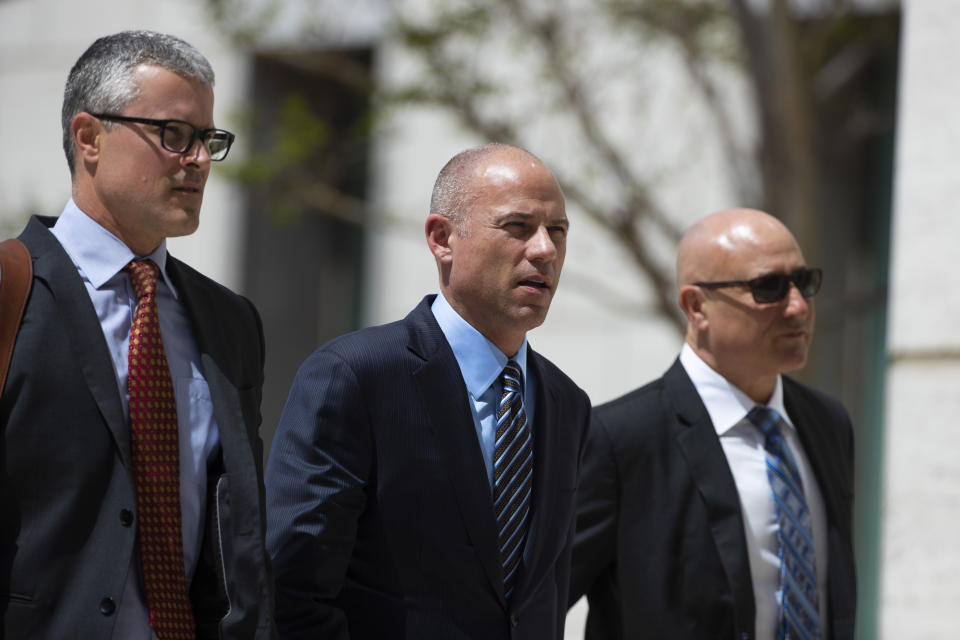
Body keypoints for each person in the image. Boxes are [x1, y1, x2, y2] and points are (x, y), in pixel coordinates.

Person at [0, 31, 275, 638]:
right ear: (90, 138)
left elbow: (238, 536)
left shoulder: (230, 322)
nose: (198, 160)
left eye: (208, 139)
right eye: (174, 135)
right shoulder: (9, 290)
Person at [266, 143, 591, 639]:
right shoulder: (355, 375)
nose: (545, 250)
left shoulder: (565, 403)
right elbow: (291, 587)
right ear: (442, 238)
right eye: (518, 228)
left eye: (558, 231)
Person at [569, 208, 856, 640]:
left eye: (804, 282)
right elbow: (535, 604)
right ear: (696, 305)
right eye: (769, 287)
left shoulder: (827, 421)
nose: (797, 306)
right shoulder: (619, 439)